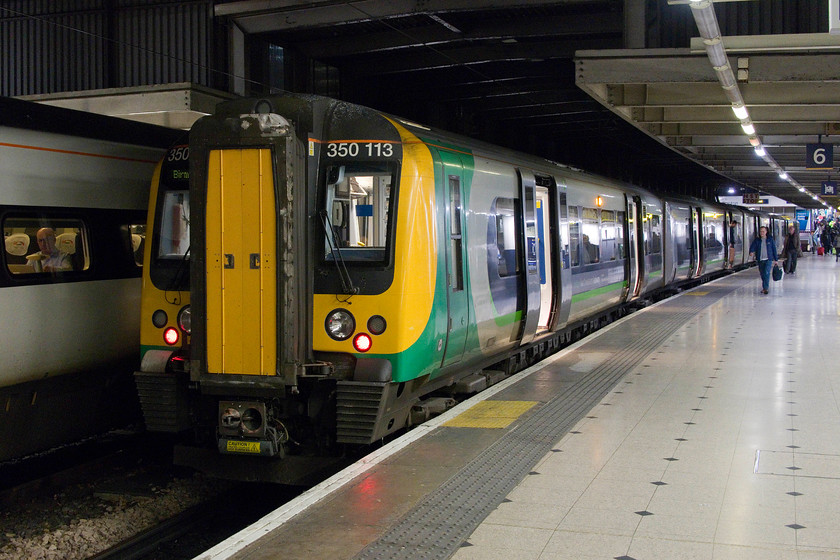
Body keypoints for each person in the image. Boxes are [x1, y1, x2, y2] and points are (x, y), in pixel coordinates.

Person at [748, 226, 779, 295]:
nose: (762, 233)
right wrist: (751, 251)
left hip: (768, 259)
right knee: (762, 274)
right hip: (760, 259)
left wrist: (776, 259)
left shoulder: (770, 240)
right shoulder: (757, 240)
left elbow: (774, 249)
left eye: (763, 231)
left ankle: (765, 288)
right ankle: (765, 287)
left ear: (766, 232)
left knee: (766, 273)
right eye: (761, 231)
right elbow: (753, 246)